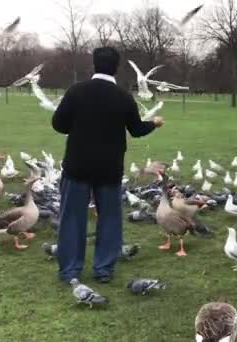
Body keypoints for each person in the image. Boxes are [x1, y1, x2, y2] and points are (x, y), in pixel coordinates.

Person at [52, 46, 164, 284]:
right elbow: (136, 130)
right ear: (116, 67)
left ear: (94, 65)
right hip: (109, 169)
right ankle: (103, 269)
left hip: (77, 166)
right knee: (110, 219)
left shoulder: (76, 92)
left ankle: (70, 270)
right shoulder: (123, 97)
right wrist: (153, 123)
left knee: (72, 218)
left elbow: (59, 125)